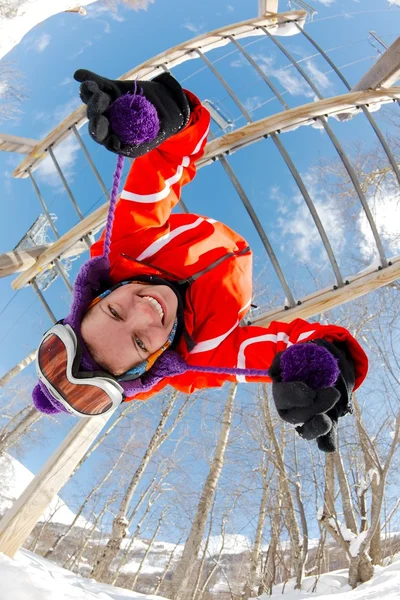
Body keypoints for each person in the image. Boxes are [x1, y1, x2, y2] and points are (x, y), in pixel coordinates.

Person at [33, 70, 368, 453]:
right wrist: (324, 368)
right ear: (154, 361)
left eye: (114, 312)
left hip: (195, 242)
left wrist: (161, 117)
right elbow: (277, 351)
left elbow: (165, 163)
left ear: (97, 296)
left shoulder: (126, 246)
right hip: (228, 290)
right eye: (140, 341)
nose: (145, 309)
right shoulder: (202, 357)